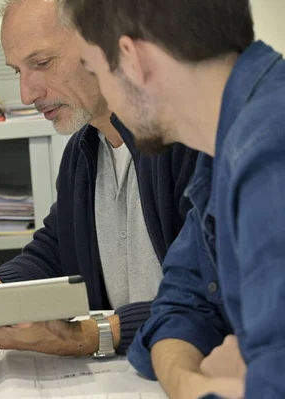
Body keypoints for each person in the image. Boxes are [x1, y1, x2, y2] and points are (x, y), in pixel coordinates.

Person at [0, 0, 198, 358]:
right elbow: (57, 252)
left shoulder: (189, 139)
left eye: (41, 63)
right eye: (17, 70)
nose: (27, 94)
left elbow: (209, 297)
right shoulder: (83, 152)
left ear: (107, 43)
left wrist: (89, 335)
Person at [64, 0, 285, 397]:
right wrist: (194, 383)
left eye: (96, 72)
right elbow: (177, 309)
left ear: (132, 59)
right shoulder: (223, 143)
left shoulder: (270, 153)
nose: (109, 104)